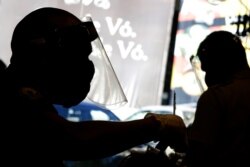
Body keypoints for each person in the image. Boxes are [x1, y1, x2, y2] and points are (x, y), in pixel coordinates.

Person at [0, 7, 187, 166]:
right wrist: (154, 126)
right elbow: (72, 140)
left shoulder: (36, 102)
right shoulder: (11, 97)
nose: (87, 67)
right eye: (77, 56)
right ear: (40, 53)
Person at [187, 30, 250, 167]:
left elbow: (198, 158)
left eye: (208, 68)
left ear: (219, 63)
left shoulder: (216, 96)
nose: (206, 77)